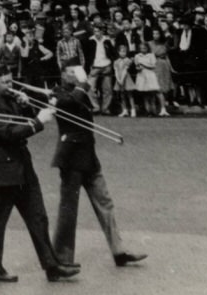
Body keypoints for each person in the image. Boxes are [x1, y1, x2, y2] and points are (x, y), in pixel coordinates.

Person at [0, 64, 79, 284]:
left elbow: (24, 121)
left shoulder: (9, 99)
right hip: (3, 171)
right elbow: (10, 134)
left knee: (38, 217)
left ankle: (52, 266)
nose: (11, 86)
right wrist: (38, 122)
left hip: (22, 167)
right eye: (5, 82)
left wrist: (27, 108)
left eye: (12, 81)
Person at [50, 69, 146, 269]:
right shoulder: (56, 93)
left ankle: (119, 251)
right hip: (70, 159)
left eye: (78, 70)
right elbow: (67, 104)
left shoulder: (80, 92)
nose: (77, 74)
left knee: (106, 203)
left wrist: (83, 88)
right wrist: (82, 86)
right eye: (72, 71)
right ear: (63, 75)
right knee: (69, 210)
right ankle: (61, 258)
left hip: (89, 156)